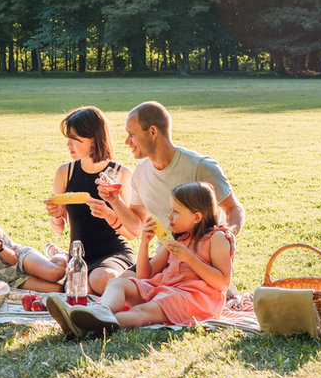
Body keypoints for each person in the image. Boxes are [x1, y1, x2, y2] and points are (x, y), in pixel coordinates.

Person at [47, 182, 234, 339]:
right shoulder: (178, 238)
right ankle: (99, 311)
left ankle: (90, 326)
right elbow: (145, 276)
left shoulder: (217, 238)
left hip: (193, 298)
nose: (169, 217)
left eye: (176, 211)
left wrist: (189, 259)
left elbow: (223, 282)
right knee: (118, 283)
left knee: (141, 313)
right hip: (165, 290)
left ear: (197, 217)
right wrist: (145, 242)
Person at [98, 100, 244, 240]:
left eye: (132, 134)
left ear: (152, 132)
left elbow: (233, 209)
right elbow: (137, 226)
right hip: (166, 258)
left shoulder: (200, 167)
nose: (127, 142)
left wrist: (226, 236)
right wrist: (115, 200)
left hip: (202, 259)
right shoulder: (141, 173)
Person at [43, 106, 136, 294]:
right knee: (81, 289)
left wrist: (109, 214)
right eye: (68, 139)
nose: (68, 145)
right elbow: (59, 229)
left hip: (114, 254)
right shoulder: (65, 173)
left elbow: (132, 233)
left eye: (75, 140)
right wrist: (56, 216)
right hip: (78, 256)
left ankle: (127, 280)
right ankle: (63, 257)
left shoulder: (121, 174)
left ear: (94, 139)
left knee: (101, 280)